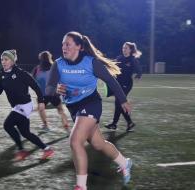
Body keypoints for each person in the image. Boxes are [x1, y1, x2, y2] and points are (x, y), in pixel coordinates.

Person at [45, 31, 133, 189]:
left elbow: (111, 81)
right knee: (99, 144)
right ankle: (125, 163)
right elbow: (49, 89)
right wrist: (56, 89)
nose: (64, 47)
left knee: (75, 141)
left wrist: (123, 100)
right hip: (74, 108)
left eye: (68, 44)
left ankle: (81, 186)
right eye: (63, 44)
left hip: (91, 103)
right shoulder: (58, 64)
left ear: (79, 46)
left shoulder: (91, 63)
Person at [0, 49, 54, 161]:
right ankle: (47, 149)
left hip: (24, 105)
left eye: (6, 59)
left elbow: (36, 86)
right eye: (2, 59)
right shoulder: (2, 74)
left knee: (7, 125)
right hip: (17, 107)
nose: (3, 62)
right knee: (26, 133)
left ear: (12, 61)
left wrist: (41, 101)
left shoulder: (21, 73)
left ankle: (21, 150)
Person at [104, 42, 142, 132]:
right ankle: (128, 123)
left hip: (127, 84)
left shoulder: (132, 60)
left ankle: (115, 124)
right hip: (118, 84)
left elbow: (139, 70)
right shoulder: (119, 58)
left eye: (126, 48)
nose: (124, 49)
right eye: (123, 48)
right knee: (119, 104)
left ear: (130, 50)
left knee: (119, 102)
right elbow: (112, 64)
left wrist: (138, 75)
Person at [31, 50, 70, 132]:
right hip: (54, 93)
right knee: (60, 110)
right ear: (49, 57)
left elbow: (33, 80)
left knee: (41, 109)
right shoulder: (55, 67)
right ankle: (66, 127)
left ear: (40, 59)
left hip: (42, 94)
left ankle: (45, 125)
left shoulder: (37, 69)